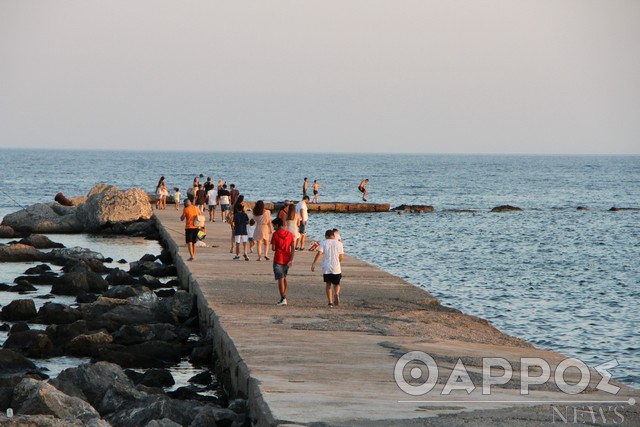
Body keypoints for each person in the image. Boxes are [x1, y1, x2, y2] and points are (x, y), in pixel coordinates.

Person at [311, 229, 345, 307]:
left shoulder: (323, 242)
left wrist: (314, 264)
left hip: (326, 267)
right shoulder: (339, 244)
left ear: (326, 236)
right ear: (333, 236)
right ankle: (336, 293)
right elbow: (341, 256)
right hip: (336, 267)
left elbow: (319, 253)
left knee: (328, 284)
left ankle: (330, 302)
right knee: (337, 284)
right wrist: (338, 261)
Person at [271, 217, 295, 306]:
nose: (273, 228)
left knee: (280, 279)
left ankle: (283, 298)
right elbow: (292, 248)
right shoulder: (290, 234)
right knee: (284, 277)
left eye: (274, 226)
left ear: (277, 225)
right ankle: (284, 296)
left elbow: (273, 248)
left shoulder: (275, 234)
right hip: (287, 258)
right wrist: (291, 259)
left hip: (278, 258)